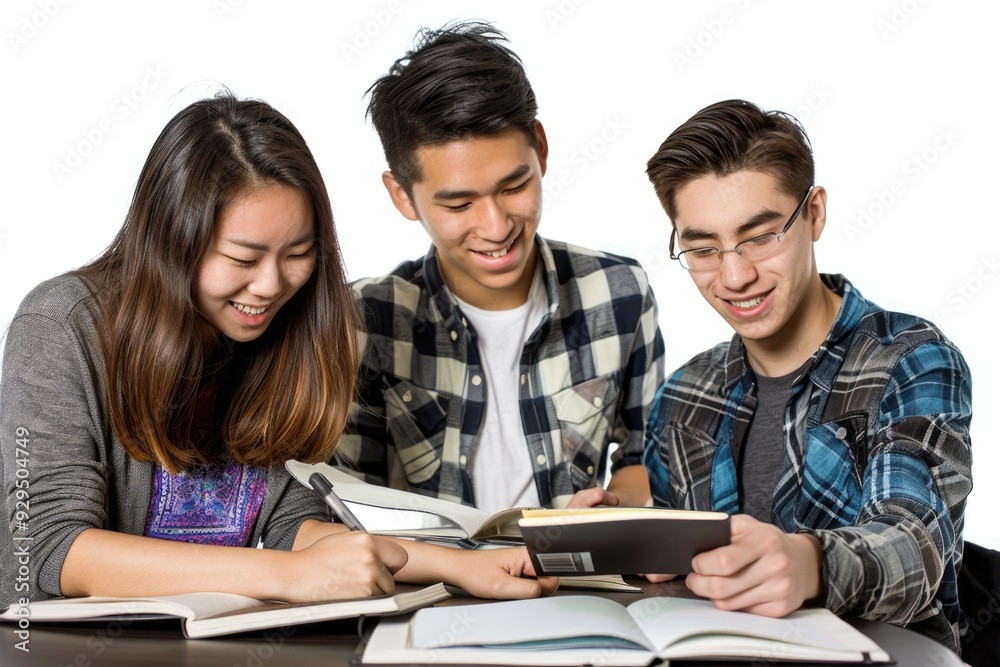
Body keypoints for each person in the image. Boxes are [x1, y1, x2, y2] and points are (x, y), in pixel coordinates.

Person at [0, 93, 556, 611]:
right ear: (173, 241)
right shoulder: (60, 326)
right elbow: (48, 547)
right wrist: (288, 577)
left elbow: (294, 524)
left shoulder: (272, 333)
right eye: (242, 258)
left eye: (298, 253)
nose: (270, 286)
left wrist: (461, 566)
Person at [640, 99, 973, 651]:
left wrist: (808, 562)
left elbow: (918, 547)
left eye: (762, 236)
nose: (735, 275)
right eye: (702, 248)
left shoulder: (911, 360)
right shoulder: (683, 395)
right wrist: (622, 536)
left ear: (814, 213)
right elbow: (675, 568)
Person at [333, 21, 665, 513]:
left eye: (513, 187)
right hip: (433, 585)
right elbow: (350, 500)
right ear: (402, 195)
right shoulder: (365, 319)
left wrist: (612, 509)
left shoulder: (619, 292)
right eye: (459, 203)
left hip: (579, 579)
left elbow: (644, 460)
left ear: (542, 149)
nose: (495, 226)